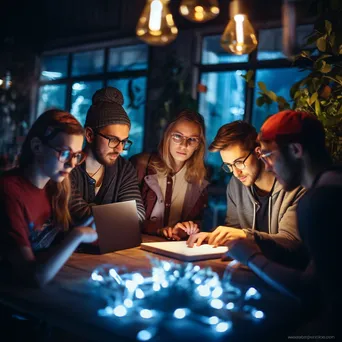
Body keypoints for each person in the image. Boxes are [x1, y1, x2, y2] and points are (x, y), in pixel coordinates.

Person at [226, 110, 341, 334]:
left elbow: (310, 292)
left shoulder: (319, 202)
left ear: (296, 150)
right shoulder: (334, 182)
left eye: (269, 155)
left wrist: (250, 256)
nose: (267, 166)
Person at [187, 121, 306, 267]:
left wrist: (245, 236)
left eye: (239, 162)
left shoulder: (294, 186)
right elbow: (234, 228)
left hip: (287, 275)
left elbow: (291, 243)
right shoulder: (236, 185)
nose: (236, 173)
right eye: (229, 166)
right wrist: (215, 237)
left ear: (258, 152)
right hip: (251, 269)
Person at [0, 109, 98, 287]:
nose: (72, 164)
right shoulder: (9, 191)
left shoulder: (57, 185)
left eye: (76, 155)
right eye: (65, 153)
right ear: (37, 147)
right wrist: (76, 235)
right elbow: (33, 278)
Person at [68, 86, 145, 226]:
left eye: (124, 141)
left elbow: (137, 215)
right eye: (113, 139)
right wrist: (119, 214)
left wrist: (93, 212)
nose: (120, 149)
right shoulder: (67, 166)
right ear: (90, 135)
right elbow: (76, 211)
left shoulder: (124, 168)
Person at [130, 110, 209, 240]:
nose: (184, 145)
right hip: (137, 246)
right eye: (178, 136)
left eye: (192, 139)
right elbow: (122, 218)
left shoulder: (200, 178)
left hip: (175, 250)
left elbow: (198, 221)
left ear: (198, 145)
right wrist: (158, 230)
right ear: (167, 136)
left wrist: (188, 229)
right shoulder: (141, 166)